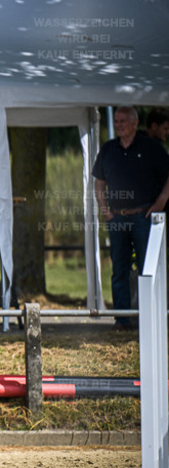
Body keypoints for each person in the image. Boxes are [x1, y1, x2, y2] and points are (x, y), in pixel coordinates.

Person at [93, 106, 169, 329]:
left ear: (135, 123)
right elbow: (99, 181)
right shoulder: (108, 149)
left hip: (143, 217)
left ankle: (149, 318)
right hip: (117, 218)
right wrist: (103, 207)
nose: (118, 125)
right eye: (116, 121)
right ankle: (122, 319)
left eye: (123, 121)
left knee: (148, 269)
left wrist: (161, 203)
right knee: (119, 269)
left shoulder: (152, 147)